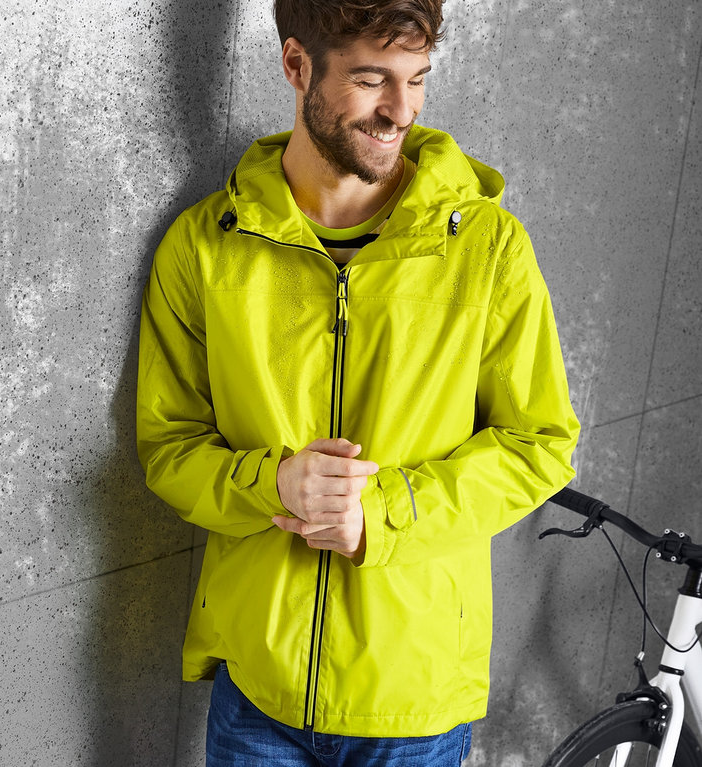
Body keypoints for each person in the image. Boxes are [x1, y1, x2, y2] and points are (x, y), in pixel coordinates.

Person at [136, 0, 580, 763]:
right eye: (372, 80)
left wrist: (380, 515)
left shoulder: (487, 248)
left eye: (417, 80)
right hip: (258, 699)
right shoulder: (206, 248)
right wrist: (275, 485)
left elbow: (540, 445)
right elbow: (169, 448)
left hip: (412, 704)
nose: (399, 111)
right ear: (296, 65)